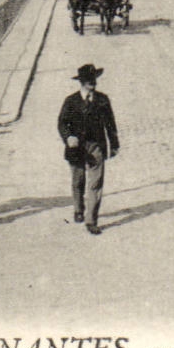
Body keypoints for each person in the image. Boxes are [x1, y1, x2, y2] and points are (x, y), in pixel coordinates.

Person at [57, 63, 120, 235]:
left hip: (96, 146)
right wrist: (68, 137)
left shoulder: (102, 99)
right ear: (81, 82)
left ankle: (91, 220)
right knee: (78, 180)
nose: (92, 83)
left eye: (93, 79)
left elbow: (110, 124)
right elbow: (62, 123)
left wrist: (114, 145)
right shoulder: (71, 101)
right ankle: (78, 208)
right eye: (88, 80)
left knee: (96, 183)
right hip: (76, 147)